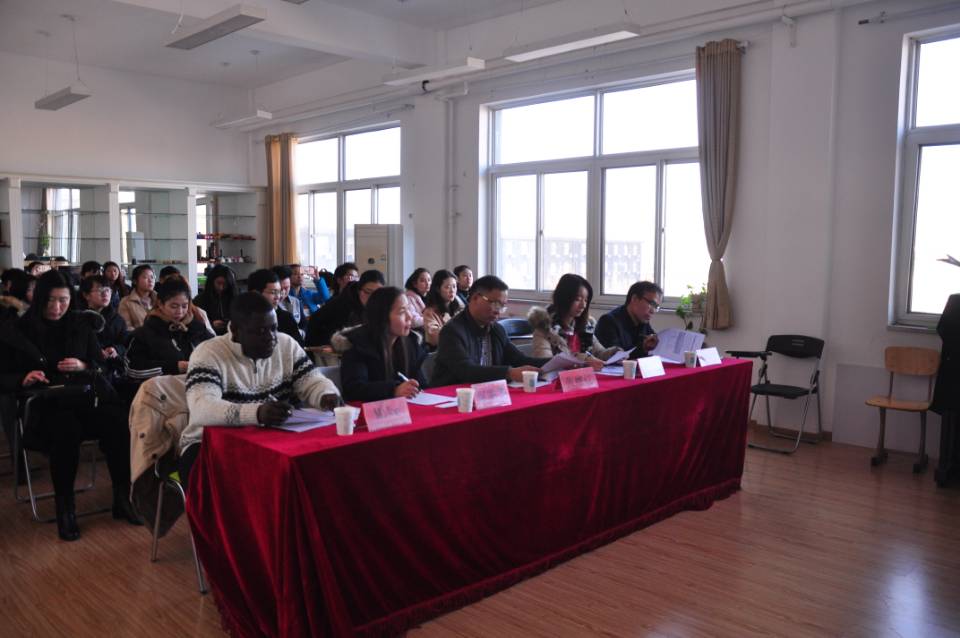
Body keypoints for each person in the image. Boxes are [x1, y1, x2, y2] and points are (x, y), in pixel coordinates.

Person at [0, 270, 139, 541]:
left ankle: (123, 498)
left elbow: (100, 365)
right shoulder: (18, 329)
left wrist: (84, 365)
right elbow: (3, 375)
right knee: (66, 430)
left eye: (63, 300)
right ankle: (66, 508)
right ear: (39, 299)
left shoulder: (80, 324)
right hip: (44, 405)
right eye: (50, 300)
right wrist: (23, 378)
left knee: (119, 421)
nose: (56, 307)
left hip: (83, 397)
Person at [178, 292, 341, 490]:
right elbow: (203, 407)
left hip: (273, 439)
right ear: (236, 331)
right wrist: (257, 413)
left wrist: (325, 394)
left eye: (273, 328)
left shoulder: (286, 345)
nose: (271, 338)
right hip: (209, 443)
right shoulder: (208, 354)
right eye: (261, 331)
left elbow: (312, 381)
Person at [431, 275, 548, 386]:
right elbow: (466, 371)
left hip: (488, 393)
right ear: (475, 298)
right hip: (452, 395)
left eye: (502, 306)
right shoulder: (452, 331)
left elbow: (519, 360)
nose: (498, 311)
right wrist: (509, 373)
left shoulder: (497, 330)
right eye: (495, 304)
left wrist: (554, 362)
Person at [340, 287, 428, 402]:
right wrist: (393, 389)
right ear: (382, 317)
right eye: (402, 312)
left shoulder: (410, 343)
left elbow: (420, 384)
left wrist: (416, 387)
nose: (409, 316)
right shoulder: (359, 345)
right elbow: (354, 389)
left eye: (408, 309)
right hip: (369, 410)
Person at [126, 278, 213, 381]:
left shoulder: (197, 327)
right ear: (160, 304)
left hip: (199, 385)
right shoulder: (145, 333)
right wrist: (175, 366)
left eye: (184, 306)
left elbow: (216, 347)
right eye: (174, 306)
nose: (180, 311)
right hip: (162, 388)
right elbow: (132, 369)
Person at [527, 274, 620, 370]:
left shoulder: (586, 325)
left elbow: (599, 352)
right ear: (564, 298)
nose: (583, 305)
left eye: (586, 300)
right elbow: (546, 364)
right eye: (578, 299)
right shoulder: (544, 328)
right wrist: (584, 360)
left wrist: (614, 354)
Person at [306, 269, 384, 348]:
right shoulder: (342, 305)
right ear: (359, 290)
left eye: (378, 293)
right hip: (327, 347)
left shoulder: (380, 306)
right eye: (368, 292)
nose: (373, 297)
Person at [595, 281, 662, 358]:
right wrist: (643, 348)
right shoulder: (608, 321)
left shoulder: (643, 320)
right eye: (651, 304)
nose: (653, 311)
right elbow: (616, 358)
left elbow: (653, 346)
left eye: (656, 307)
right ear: (634, 299)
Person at [79, 275, 129, 366]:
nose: (105, 294)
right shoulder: (79, 317)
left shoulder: (117, 319)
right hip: (86, 365)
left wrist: (116, 349)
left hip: (112, 365)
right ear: (86, 295)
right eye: (100, 290)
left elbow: (125, 343)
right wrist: (96, 351)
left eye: (108, 290)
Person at [247, 268, 303, 346]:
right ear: (255, 294)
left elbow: (299, 347)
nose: (278, 297)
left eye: (279, 292)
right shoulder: (242, 317)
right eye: (273, 292)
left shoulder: (286, 318)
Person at [422, 269, 464, 348]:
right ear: (438, 289)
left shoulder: (459, 308)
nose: (452, 291)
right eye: (447, 287)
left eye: (454, 286)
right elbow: (434, 338)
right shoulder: (430, 312)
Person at [193, 264, 238, 335]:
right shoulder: (200, 300)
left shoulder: (236, 299)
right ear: (211, 281)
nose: (221, 287)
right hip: (208, 337)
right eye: (218, 283)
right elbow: (194, 323)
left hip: (232, 336)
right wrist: (210, 324)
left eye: (225, 284)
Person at [118, 264, 157, 330]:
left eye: (152, 277)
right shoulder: (126, 302)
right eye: (145, 277)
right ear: (135, 281)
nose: (150, 280)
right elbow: (127, 327)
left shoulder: (160, 299)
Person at [273, 265, 306, 333]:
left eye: (286, 288)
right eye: (280, 288)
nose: (283, 292)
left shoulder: (296, 302)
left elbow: (304, 325)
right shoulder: (271, 304)